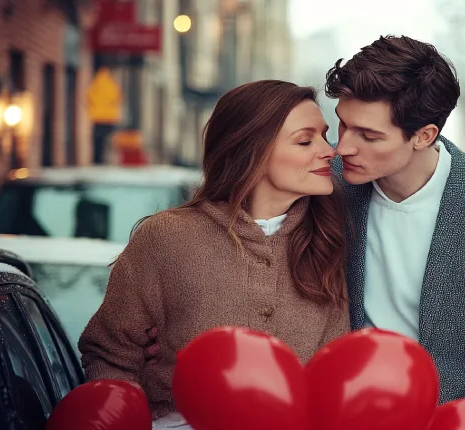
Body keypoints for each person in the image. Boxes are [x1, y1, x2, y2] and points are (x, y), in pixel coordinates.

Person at [145, 36, 465, 402]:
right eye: (342, 124)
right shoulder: (322, 185)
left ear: (424, 136)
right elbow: (238, 244)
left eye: (369, 135)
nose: (342, 148)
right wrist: (168, 328)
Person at [78, 80, 350, 427]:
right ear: (253, 149)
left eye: (324, 136)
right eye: (305, 140)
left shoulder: (334, 239)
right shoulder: (167, 238)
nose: (330, 151)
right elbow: (110, 355)